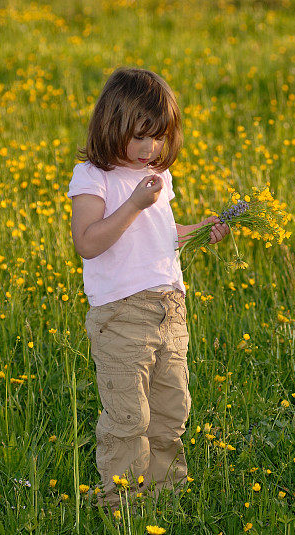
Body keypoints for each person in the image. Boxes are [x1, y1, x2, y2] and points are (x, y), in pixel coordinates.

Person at [66, 67, 229, 510]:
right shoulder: (93, 176)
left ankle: (165, 496)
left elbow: (160, 233)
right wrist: (136, 203)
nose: (149, 149)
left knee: (170, 412)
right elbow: (88, 242)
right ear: (111, 125)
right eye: (139, 136)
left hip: (169, 310)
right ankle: (121, 502)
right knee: (128, 417)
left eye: (158, 137)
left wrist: (199, 230)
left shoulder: (158, 175)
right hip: (121, 315)